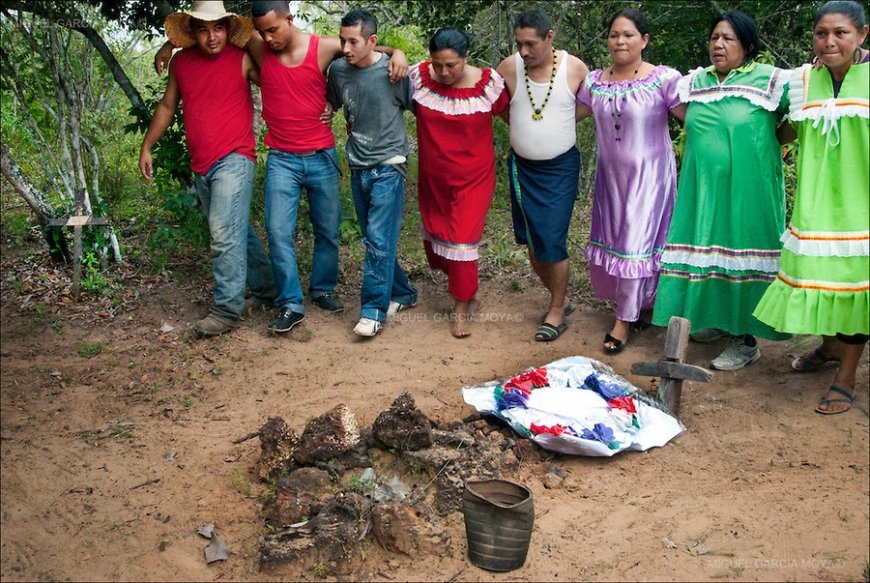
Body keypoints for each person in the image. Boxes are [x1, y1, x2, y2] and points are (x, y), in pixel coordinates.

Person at [158, 1, 408, 335]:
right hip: (281, 159)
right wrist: (167, 45)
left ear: (290, 19)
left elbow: (364, 46)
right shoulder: (259, 47)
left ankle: (322, 289)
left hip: (320, 154)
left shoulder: (325, 47)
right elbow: (207, 32)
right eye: (262, 31)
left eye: (274, 29)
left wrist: (399, 53)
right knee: (277, 233)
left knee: (328, 230)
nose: (268, 37)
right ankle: (290, 303)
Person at [651, 11, 791, 370]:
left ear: (748, 45)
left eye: (728, 39)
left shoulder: (771, 80)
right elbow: (680, 112)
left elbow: (801, 119)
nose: (718, 44)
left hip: (750, 189)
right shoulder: (695, 82)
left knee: (741, 249)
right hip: (703, 189)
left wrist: (770, 143)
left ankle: (745, 340)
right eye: (714, 37)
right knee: (708, 246)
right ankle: (716, 318)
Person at [753, 0, 869, 414]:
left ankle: (846, 377)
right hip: (817, 203)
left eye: (841, 33)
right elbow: (786, 130)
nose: (830, 41)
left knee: (856, 289)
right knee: (823, 282)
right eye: (822, 33)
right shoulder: (803, 81)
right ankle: (832, 347)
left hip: (861, 207)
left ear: (862, 35)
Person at [138, 1, 275, 337]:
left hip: (236, 158)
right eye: (203, 29)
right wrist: (146, 146)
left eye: (218, 28)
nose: (212, 37)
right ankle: (268, 289)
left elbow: (277, 78)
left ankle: (225, 311)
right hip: (202, 164)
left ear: (228, 29)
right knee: (235, 230)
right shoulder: (182, 63)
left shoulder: (241, 58)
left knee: (223, 233)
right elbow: (168, 105)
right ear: (193, 33)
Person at [575, 9, 685, 354]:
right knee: (620, 241)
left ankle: (623, 321)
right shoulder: (594, 83)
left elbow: (695, 120)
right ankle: (642, 306)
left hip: (650, 179)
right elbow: (565, 116)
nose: (620, 41)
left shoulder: (662, 79)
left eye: (628, 35)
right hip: (611, 181)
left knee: (636, 242)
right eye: (614, 35)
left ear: (645, 40)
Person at [409, 28, 510, 338]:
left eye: (452, 65)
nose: (444, 72)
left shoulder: (488, 86)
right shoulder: (418, 78)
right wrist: (395, 53)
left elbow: (514, 116)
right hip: (434, 179)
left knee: (463, 240)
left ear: (466, 57)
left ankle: (461, 310)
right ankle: (468, 294)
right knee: (440, 239)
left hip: (474, 178)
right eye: (438, 64)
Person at [496, 9, 589, 342]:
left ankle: (555, 310)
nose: (524, 51)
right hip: (522, 167)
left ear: (549, 38)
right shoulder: (508, 67)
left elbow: (587, 105)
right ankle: (561, 299)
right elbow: (500, 106)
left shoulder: (574, 68)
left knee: (551, 238)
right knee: (532, 243)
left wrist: (557, 127)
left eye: (531, 44)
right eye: (519, 43)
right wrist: (525, 131)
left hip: (560, 168)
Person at [326, 9, 417, 338]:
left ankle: (373, 311)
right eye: (342, 40)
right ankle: (403, 292)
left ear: (372, 41)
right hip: (358, 165)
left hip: (390, 165)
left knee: (378, 241)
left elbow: (420, 108)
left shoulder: (394, 72)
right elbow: (333, 103)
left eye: (353, 42)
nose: (346, 48)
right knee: (375, 240)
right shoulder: (338, 71)